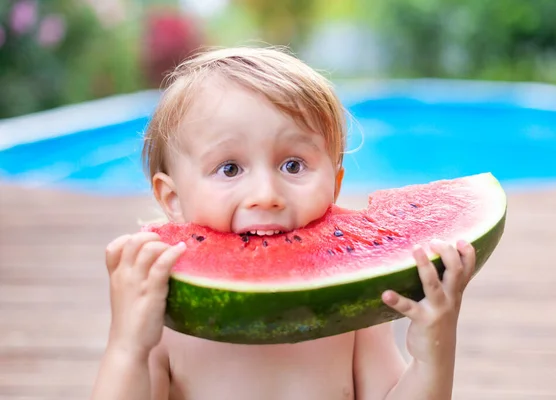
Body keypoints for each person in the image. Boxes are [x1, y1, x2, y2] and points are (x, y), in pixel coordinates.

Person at [90, 46, 476, 400]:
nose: (266, 193)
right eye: (229, 168)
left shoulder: (350, 307)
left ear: (335, 184)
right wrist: (128, 346)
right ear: (172, 199)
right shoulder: (167, 317)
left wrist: (431, 356)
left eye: (293, 165)